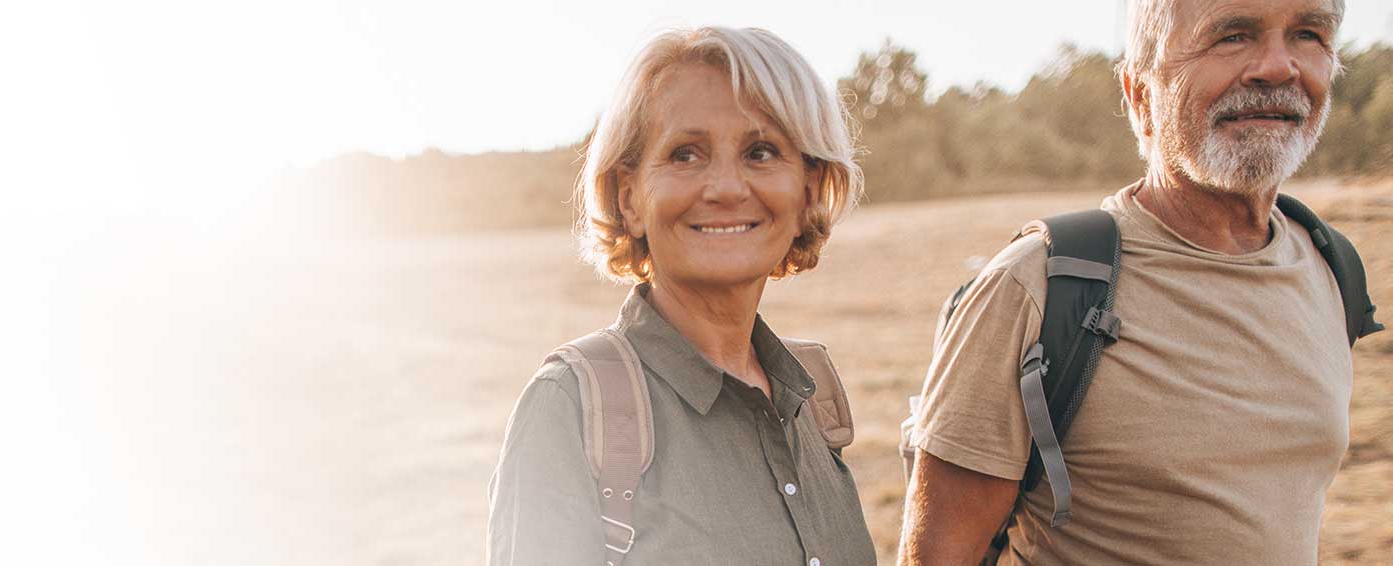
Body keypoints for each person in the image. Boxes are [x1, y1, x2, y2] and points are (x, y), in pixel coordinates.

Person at [897, 0, 1380, 564]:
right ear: (1139, 94)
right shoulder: (1035, 286)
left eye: (1308, 34)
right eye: (1231, 35)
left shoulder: (1329, 266)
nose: (1277, 67)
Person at [487, 26, 876, 566]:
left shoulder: (811, 398)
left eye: (761, 152)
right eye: (686, 155)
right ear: (630, 199)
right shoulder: (570, 406)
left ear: (808, 191)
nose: (726, 187)